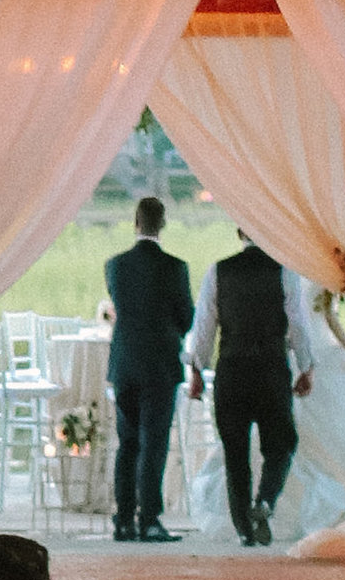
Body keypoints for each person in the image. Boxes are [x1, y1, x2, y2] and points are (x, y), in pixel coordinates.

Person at [189, 236, 315, 544]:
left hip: (231, 371)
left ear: (238, 234)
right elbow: (297, 323)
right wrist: (307, 366)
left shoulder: (219, 271)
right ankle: (265, 501)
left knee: (235, 454)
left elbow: (204, 324)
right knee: (281, 444)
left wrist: (196, 369)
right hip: (271, 370)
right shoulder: (283, 272)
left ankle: (245, 530)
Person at [103, 195, 192, 540]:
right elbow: (186, 317)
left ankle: (123, 519)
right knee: (153, 442)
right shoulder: (175, 267)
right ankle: (149, 519)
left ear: (135, 223)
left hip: (124, 363)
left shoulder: (115, 265)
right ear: (162, 224)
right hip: (160, 365)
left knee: (127, 442)